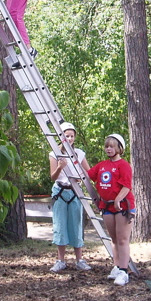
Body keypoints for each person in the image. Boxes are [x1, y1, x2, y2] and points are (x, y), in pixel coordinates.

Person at [87, 134, 135, 286]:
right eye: (107, 146)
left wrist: (118, 199)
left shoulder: (124, 165)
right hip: (106, 206)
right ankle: (116, 266)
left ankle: (124, 271)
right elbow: (88, 174)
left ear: (119, 148)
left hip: (122, 207)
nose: (109, 149)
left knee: (122, 239)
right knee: (113, 239)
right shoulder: (102, 165)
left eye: (112, 146)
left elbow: (127, 186)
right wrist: (75, 159)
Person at [49, 122, 92, 273]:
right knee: (60, 226)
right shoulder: (54, 154)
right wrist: (60, 166)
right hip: (60, 192)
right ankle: (60, 260)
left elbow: (89, 172)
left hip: (75, 192)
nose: (69, 138)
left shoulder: (79, 153)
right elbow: (53, 177)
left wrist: (82, 177)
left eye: (71, 136)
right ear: (61, 137)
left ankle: (80, 260)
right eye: (66, 136)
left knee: (76, 225)